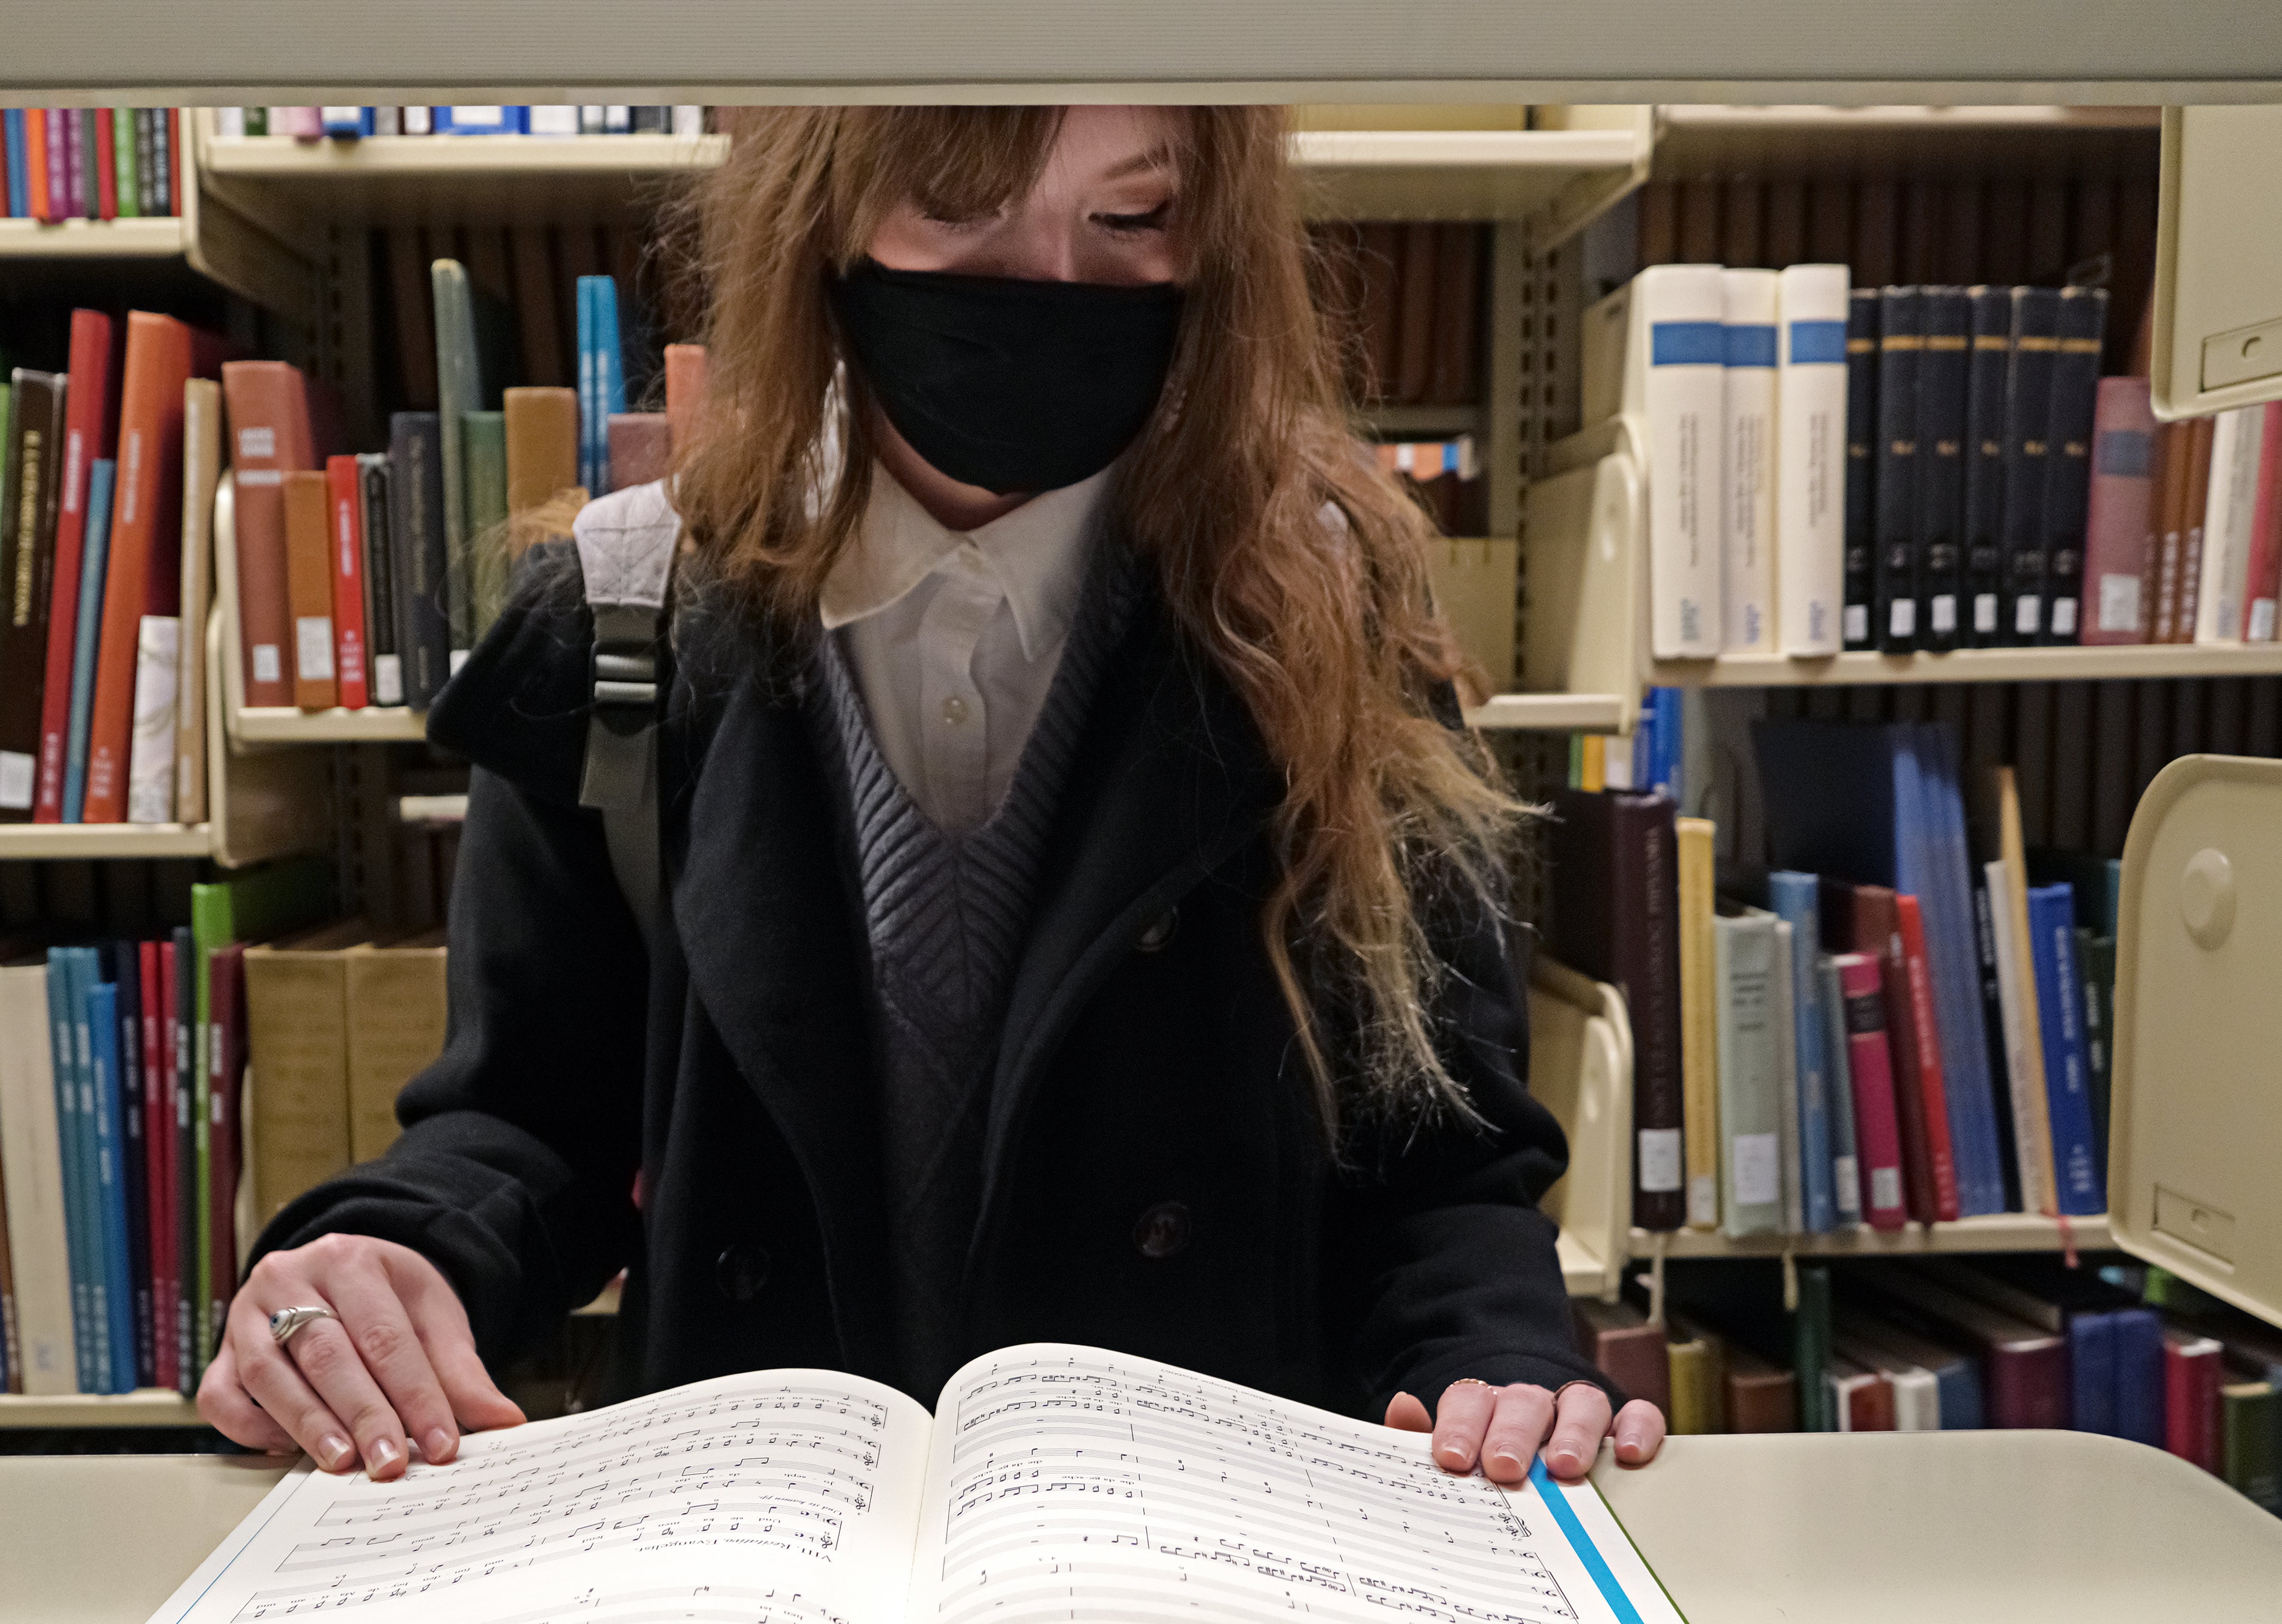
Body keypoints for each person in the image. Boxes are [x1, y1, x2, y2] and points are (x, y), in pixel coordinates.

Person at [198, 105, 1667, 1491]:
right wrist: (391, 1260)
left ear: (1216, 240)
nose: (1046, 286)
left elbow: (1443, 1163)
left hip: (1192, 1565)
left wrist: (1493, 1366)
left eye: (1133, 214)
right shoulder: (622, 616)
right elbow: (525, 1125)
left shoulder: (1340, 626)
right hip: (761, 1565)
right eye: (958, 206)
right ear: (820, 211)